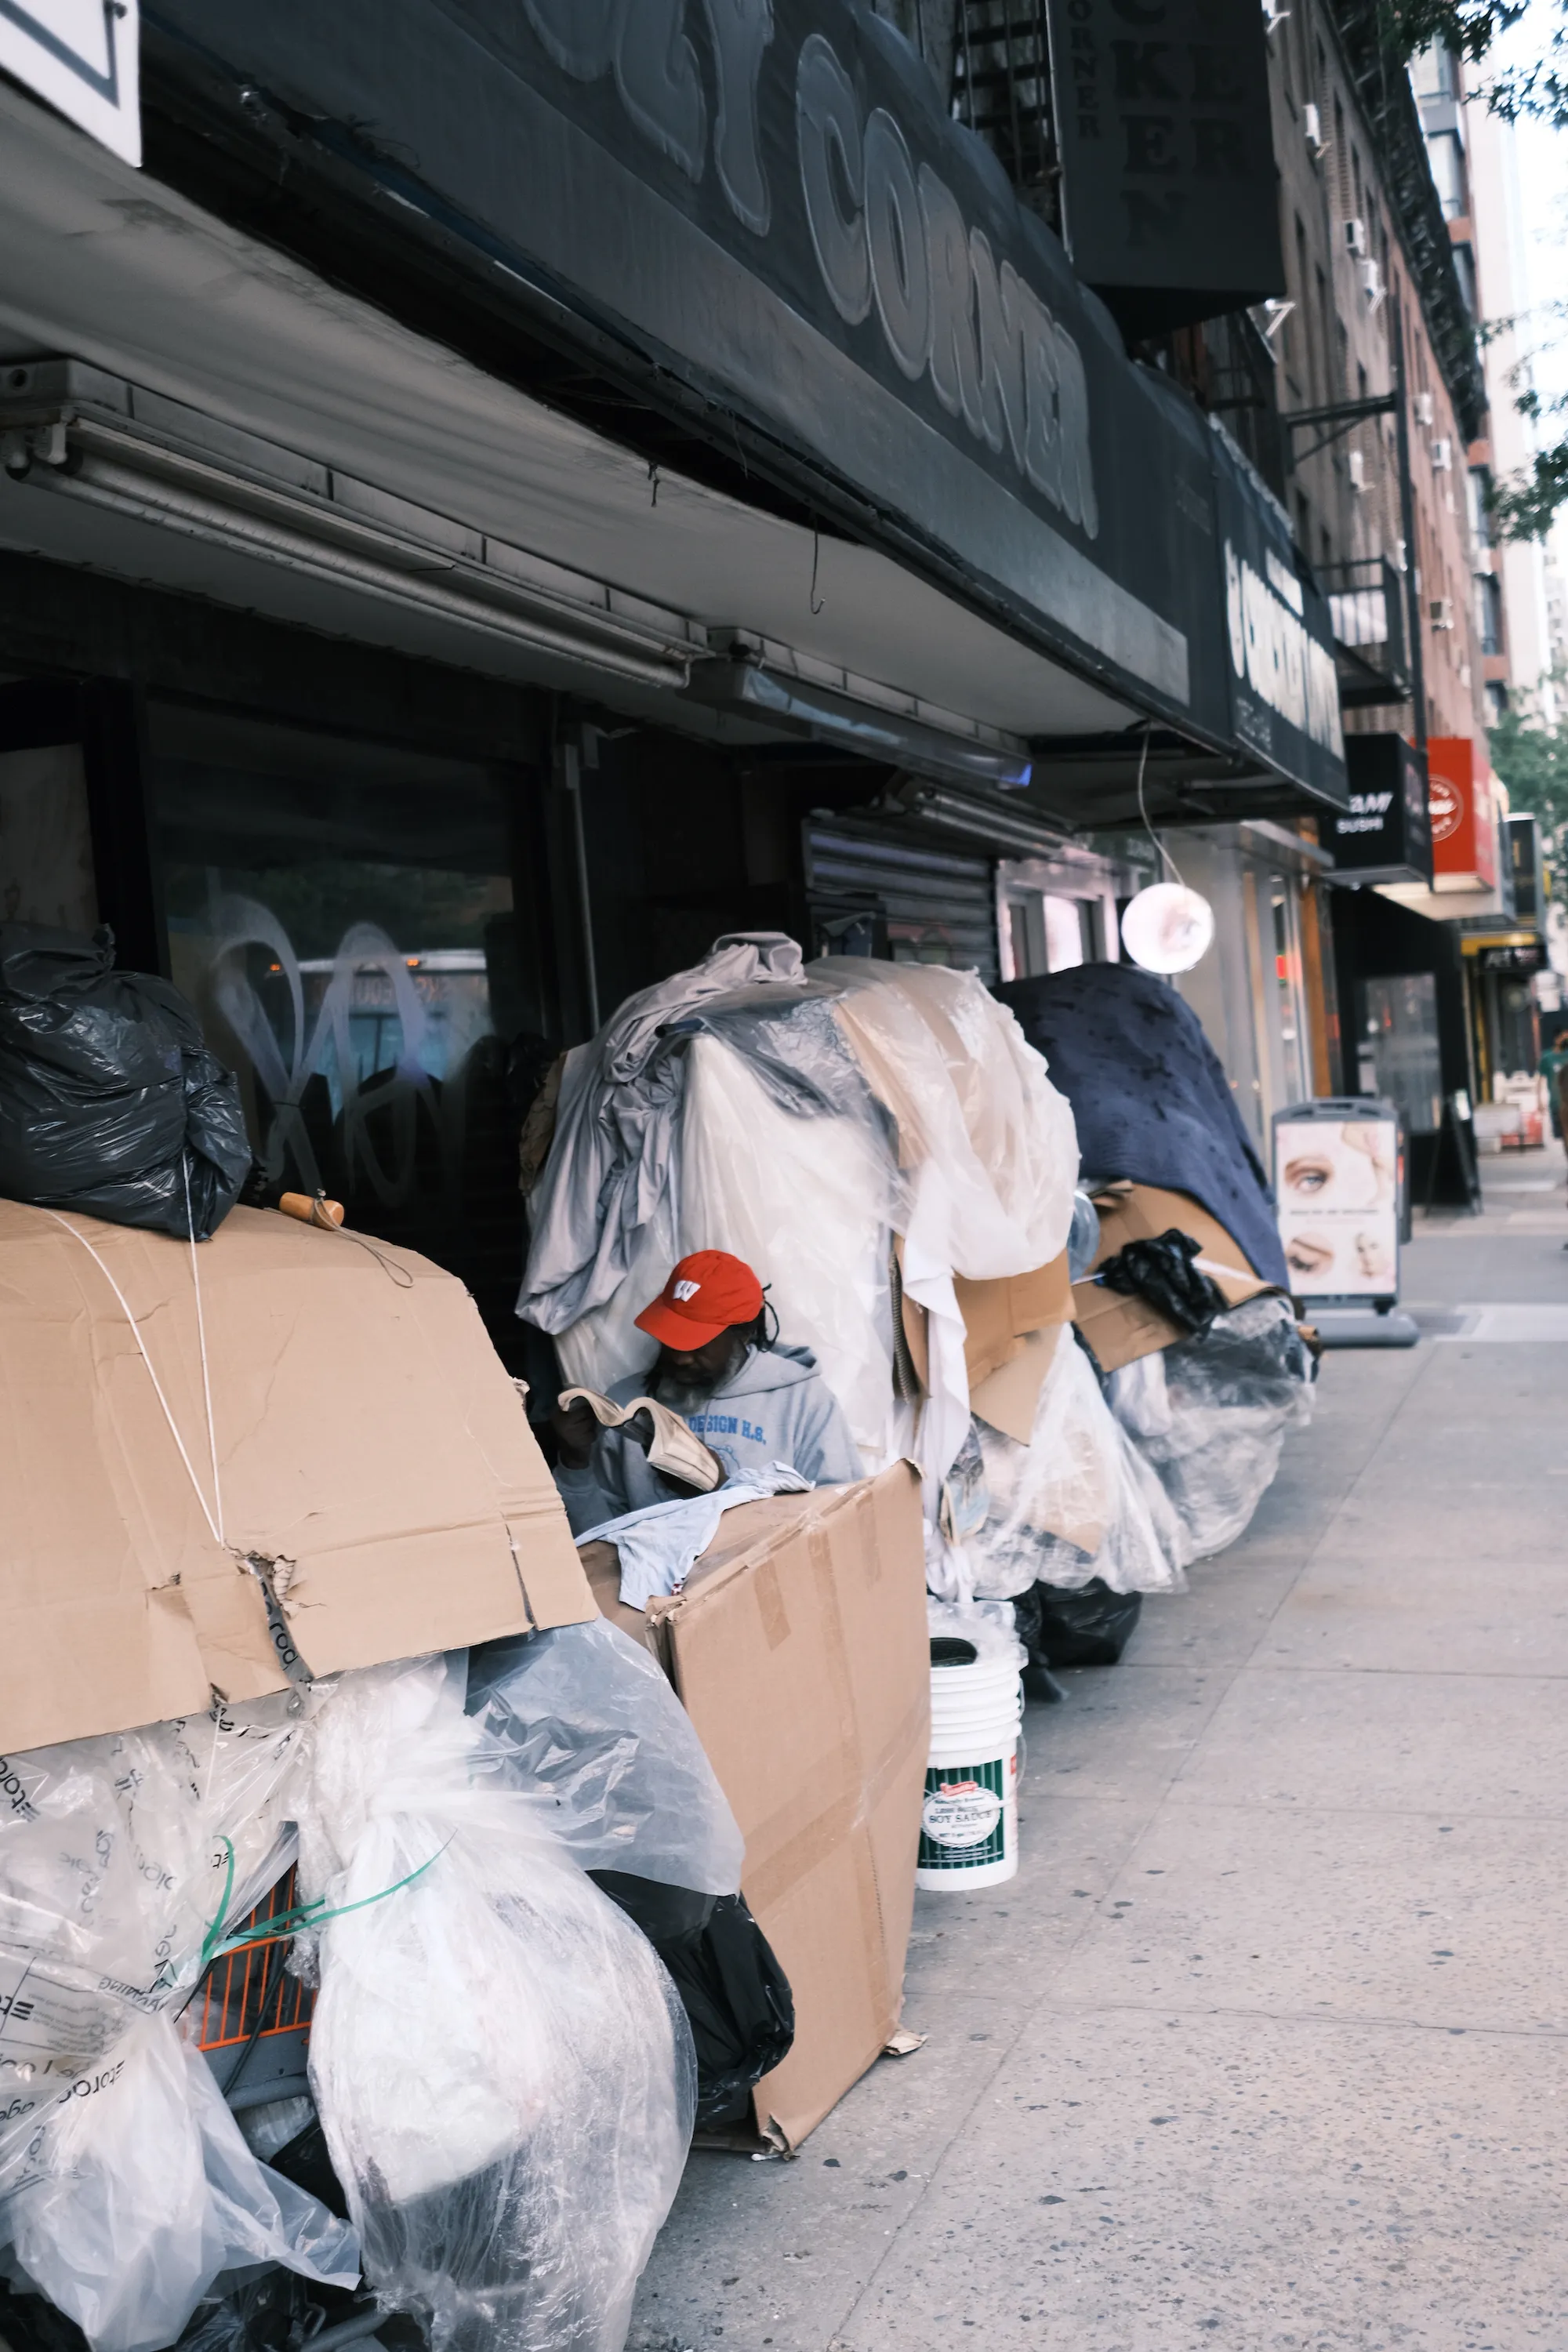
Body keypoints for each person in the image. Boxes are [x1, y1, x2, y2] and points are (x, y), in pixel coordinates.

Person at [550, 1249, 862, 1536]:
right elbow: (596, 1543)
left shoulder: (803, 1401)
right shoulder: (628, 1401)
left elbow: (843, 1521)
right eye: (670, 1337)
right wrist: (575, 1461)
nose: (680, 1357)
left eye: (696, 1342)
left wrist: (722, 1491)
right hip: (646, 1594)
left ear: (746, 1332)